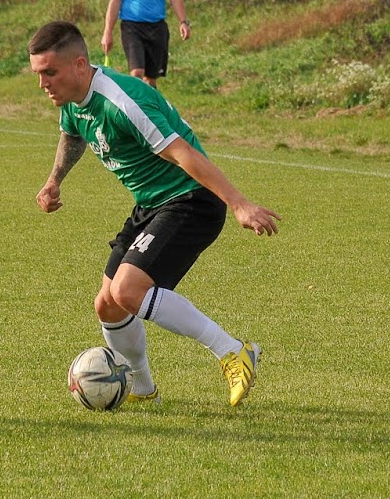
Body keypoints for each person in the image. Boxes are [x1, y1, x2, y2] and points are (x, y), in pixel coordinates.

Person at [29, 21, 280, 407]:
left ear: (80, 65)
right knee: (107, 304)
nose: (43, 83)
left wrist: (238, 202)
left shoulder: (122, 102)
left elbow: (182, 152)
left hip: (190, 199)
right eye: (38, 74)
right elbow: (72, 134)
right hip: (151, 203)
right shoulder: (73, 101)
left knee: (127, 290)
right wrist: (54, 180)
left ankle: (233, 351)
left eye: (50, 72)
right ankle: (143, 391)